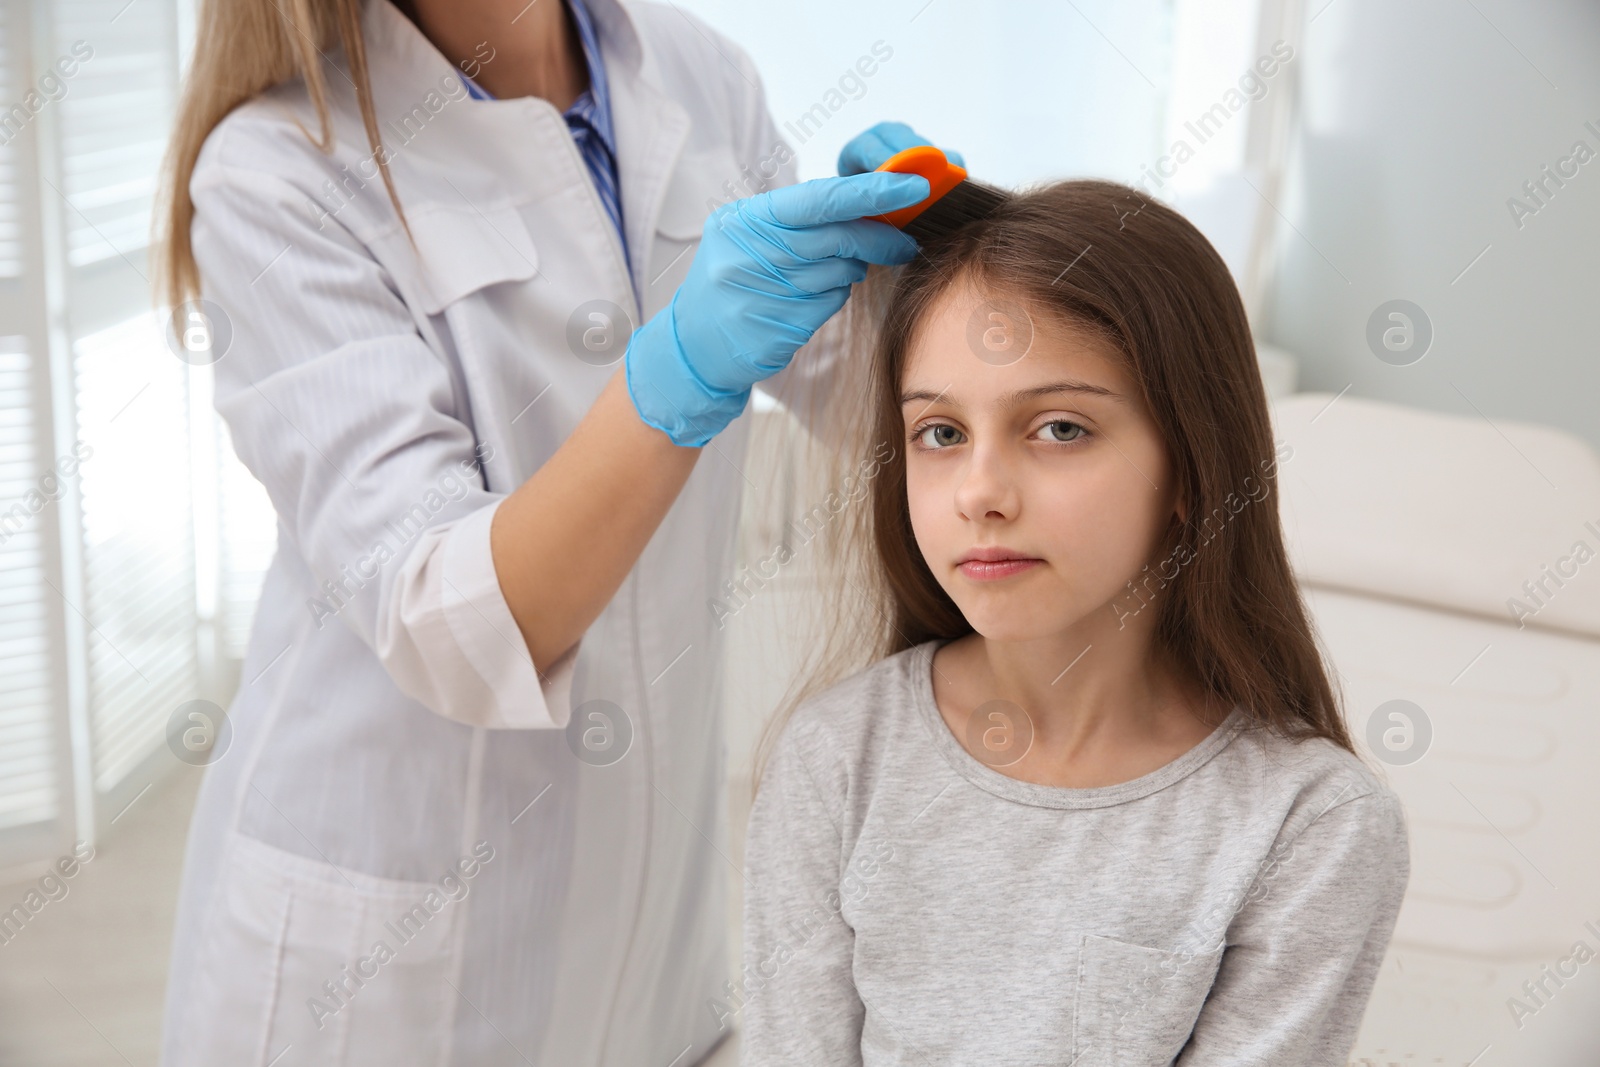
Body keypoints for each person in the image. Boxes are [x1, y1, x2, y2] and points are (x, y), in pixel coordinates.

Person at [153, 0, 950, 1061]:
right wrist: (680, 373)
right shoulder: (276, 170)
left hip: (650, 917)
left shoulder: (699, 75)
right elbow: (451, 620)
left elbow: (859, 395)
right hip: (383, 955)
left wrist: (923, 287)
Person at [739, 180, 1412, 1065]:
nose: (980, 492)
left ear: (1189, 467)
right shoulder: (836, 759)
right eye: (939, 433)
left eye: (1058, 428)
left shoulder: (1312, 825)